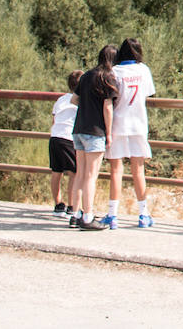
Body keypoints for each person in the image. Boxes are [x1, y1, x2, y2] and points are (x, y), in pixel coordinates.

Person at [101, 37, 157, 229]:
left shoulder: (115, 72)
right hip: (138, 123)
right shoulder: (143, 70)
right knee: (138, 170)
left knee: (116, 170)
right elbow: (149, 93)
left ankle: (112, 214)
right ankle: (143, 214)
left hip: (118, 123)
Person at [71, 44, 118, 231]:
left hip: (79, 128)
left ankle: (75, 215)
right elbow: (108, 107)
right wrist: (108, 133)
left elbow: (73, 99)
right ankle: (88, 216)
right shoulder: (107, 78)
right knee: (91, 175)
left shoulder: (87, 75)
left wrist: (86, 106)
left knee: (80, 175)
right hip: (95, 131)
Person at [48, 69, 84, 223]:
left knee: (56, 172)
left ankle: (58, 204)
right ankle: (72, 205)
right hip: (69, 138)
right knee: (73, 173)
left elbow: (54, 120)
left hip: (55, 137)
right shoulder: (80, 101)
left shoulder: (60, 100)